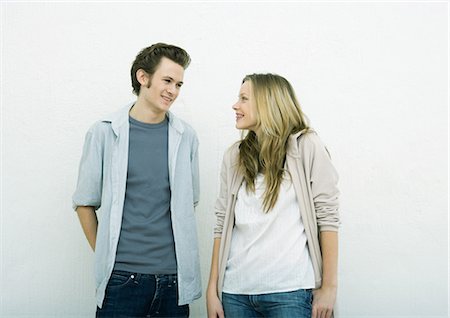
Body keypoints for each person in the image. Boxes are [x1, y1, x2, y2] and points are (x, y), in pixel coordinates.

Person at [72, 43, 201, 317]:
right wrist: (108, 255)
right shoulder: (104, 133)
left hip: (173, 283)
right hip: (121, 281)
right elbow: (84, 202)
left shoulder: (186, 137)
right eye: (167, 80)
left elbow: (189, 201)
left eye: (179, 84)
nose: (173, 91)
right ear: (143, 78)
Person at [206, 73, 340, 318]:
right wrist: (212, 291)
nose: (235, 105)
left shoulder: (306, 146)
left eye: (244, 99)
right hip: (235, 293)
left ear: (267, 103)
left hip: (290, 292)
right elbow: (222, 224)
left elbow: (327, 218)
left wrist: (329, 288)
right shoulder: (234, 156)